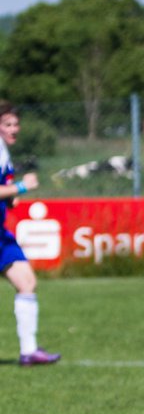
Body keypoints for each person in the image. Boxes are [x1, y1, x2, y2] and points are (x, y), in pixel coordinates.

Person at [1, 101, 59, 366]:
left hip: (2, 236)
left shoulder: (4, 153)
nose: (14, 129)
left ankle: (29, 351)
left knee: (27, 283)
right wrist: (22, 187)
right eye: (7, 124)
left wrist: (13, 195)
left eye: (16, 123)